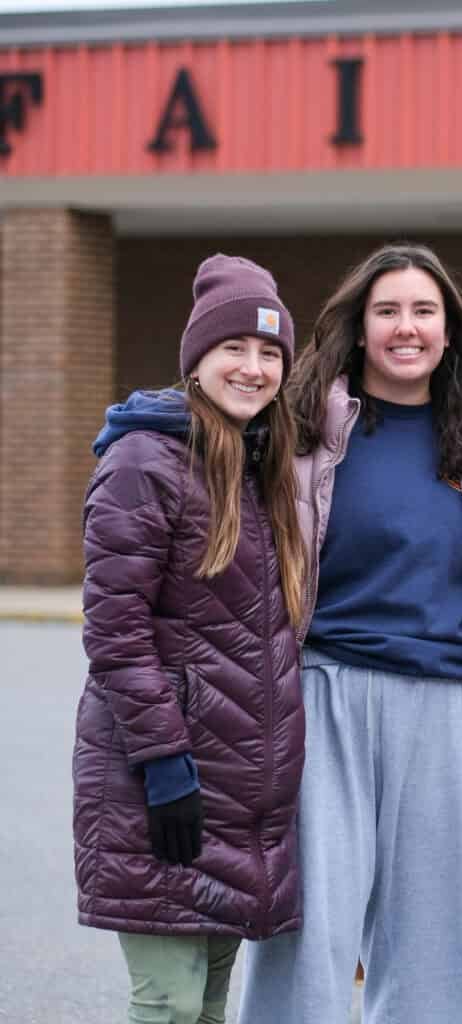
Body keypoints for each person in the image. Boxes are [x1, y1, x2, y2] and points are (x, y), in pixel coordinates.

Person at [238, 243, 462, 1024]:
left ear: (448, 329)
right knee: (312, 915)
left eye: (424, 311)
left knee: (432, 925)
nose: (407, 327)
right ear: (360, 328)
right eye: (388, 310)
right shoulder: (302, 424)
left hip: (445, 700)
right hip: (324, 689)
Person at [73, 254, 307, 1024]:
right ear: (196, 359)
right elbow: (116, 631)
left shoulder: (261, 464)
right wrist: (163, 762)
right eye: (233, 347)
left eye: (269, 352)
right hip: (163, 779)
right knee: (169, 1002)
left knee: (207, 1003)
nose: (252, 367)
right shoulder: (145, 460)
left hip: (240, 788)